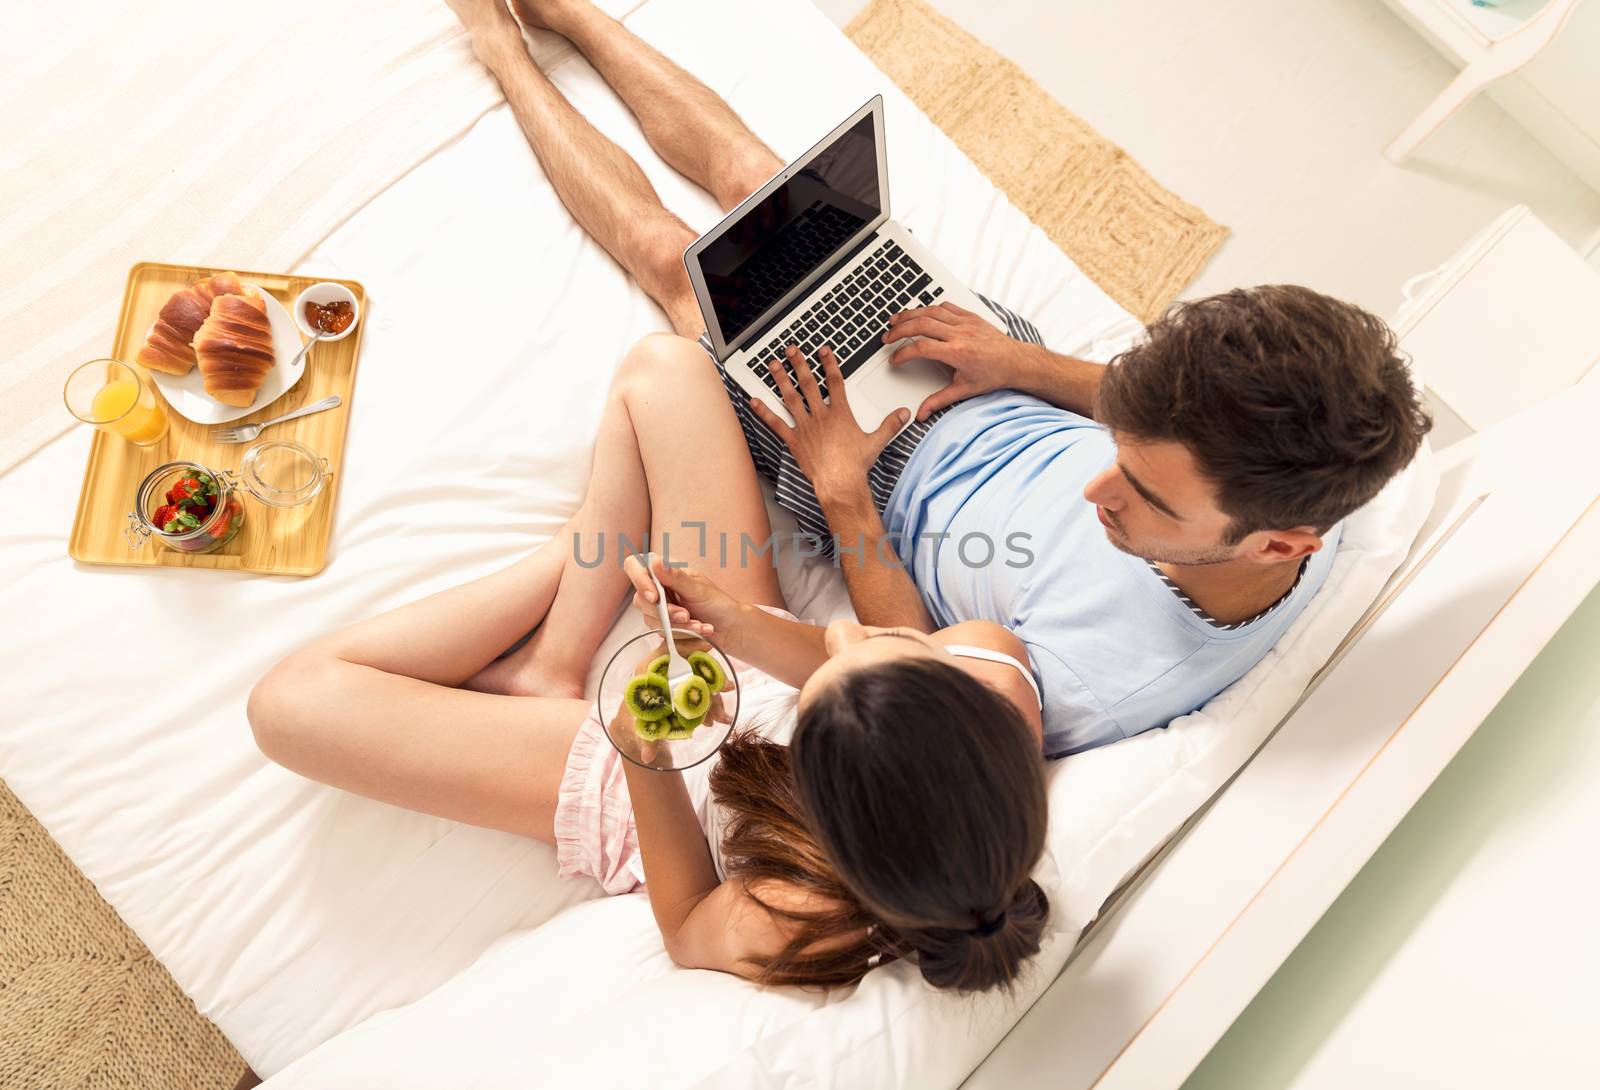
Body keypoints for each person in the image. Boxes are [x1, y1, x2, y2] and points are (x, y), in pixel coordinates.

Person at [442, 0, 1433, 757]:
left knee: (671, 260)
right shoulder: (1318, 452)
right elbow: (1139, 410)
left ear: (1276, 541)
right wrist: (1018, 361)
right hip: (986, 370)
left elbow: (902, 657)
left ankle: (502, 50)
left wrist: (836, 486)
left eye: (1142, 494)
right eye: (1121, 455)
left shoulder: (1096, 682)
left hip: (867, 477)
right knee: (760, 181)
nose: (1097, 485)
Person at [248, 334, 1050, 992]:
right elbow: (843, 657)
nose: (840, 633)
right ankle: (551, 663)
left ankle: (573, 554)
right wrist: (737, 624)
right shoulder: (994, 676)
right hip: (744, 663)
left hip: (664, 784)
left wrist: (645, 756)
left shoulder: (806, 917)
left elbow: (690, 923)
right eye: (862, 647)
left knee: (288, 704)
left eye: (830, 669)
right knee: (664, 371)